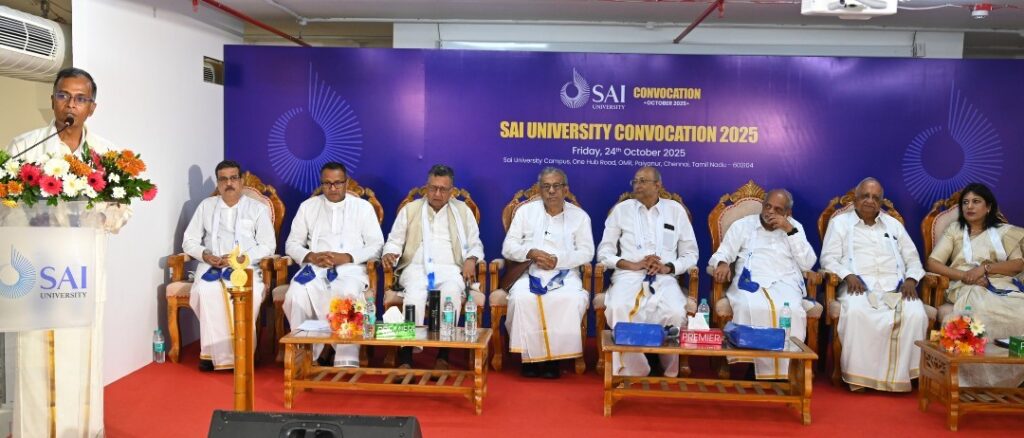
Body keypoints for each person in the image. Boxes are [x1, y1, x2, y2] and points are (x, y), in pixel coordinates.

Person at [5, 67, 114, 436]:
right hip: (36, 271)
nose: (71, 105)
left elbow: (121, 210)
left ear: (92, 108)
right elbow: (7, 202)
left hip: (82, 272)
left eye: (81, 99)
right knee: (33, 355)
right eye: (64, 96)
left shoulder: (106, 155)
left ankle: (82, 430)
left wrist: (101, 214)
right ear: (53, 100)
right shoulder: (25, 147)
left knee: (83, 352)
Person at [820, 177, 929, 392]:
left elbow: (913, 258)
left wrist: (911, 279)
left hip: (895, 287)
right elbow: (828, 258)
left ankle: (902, 377)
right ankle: (859, 378)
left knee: (916, 314)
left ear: (881, 202)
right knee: (856, 312)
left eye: (875, 197)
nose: (870, 201)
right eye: (865, 196)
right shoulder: (839, 223)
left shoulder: (893, 225)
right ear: (855, 199)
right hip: (858, 286)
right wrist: (848, 275)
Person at [597, 166, 698, 377]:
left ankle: (667, 369)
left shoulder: (675, 211)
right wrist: (633, 264)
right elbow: (604, 252)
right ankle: (634, 369)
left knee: (675, 311)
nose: (637, 185)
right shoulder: (621, 210)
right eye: (635, 181)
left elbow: (691, 253)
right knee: (619, 306)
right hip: (629, 275)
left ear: (657, 185)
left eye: (643, 181)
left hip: (665, 277)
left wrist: (668, 267)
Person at [382, 164, 483, 369]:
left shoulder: (463, 211)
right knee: (414, 296)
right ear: (426, 187)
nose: (437, 193)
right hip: (416, 268)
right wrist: (389, 253)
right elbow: (394, 240)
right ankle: (406, 357)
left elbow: (475, 243)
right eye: (433, 188)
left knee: (451, 294)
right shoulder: (410, 210)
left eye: (443, 189)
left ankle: (443, 355)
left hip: (450, 269)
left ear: (451, 191)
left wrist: (471, 259)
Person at [284, 162, 384, 368]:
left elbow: (376, 245)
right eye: (327, 183)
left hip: (350, 269)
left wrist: (347, 256)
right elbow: (291, 244)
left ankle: (345, 359)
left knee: (347, 293)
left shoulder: (363, 208)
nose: (333, 188)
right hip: (315, 268)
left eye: (338, 183)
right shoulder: (308, 207)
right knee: (296, 294)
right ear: (321, 184)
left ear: (346, 183)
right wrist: (311, 256)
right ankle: (306, 355)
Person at [709, 189, 816, 379]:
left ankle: (786, 371)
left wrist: (790, 230)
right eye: (767, 206)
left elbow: (807, 263)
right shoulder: (743, 225)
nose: (770, 212)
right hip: (750, 281)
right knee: (751, 306)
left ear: (788, 213)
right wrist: (723, 263)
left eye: (778, 209)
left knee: (791, 310)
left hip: (785, 281)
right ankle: (755, 365)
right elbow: (723, 253)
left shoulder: (794, 228)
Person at [926, 182, 1024, 387]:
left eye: (976, 201)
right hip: (966, 286)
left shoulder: (1004, 231)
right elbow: (933, 262)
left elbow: (1017, 264)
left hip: (1000, 285)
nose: (969, 206)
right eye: (965, 202)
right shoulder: (955, 230)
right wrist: (966, 276)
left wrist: (985, 269)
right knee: (979, 310)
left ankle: (1010, 377)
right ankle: (975, 380)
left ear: (988, 207)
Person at [181, 160, 275, 371]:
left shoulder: (258, 209)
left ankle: (243, 354)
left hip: (246, 267)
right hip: (212, 265)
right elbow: (189, 241)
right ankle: (211, 355)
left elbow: (268, 245)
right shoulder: (206, 206)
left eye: (233, 178)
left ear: (241, 181)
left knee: (247, 293)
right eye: (223, 179)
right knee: (206, 291)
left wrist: (242, 259)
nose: (229, 183)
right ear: (218, 182)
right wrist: (205, 255)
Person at [502, 167, 593, 379]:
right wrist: (531, 252)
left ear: (565, 190)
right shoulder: (525, 212)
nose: (551, 191)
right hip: (529, 271)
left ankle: (555, 360)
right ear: (540, 189)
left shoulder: (580, 217)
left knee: (570, 299)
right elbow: (508, 247)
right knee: (521, 298)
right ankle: (529, 358)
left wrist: (558, 260)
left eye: (556, 186)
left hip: (565, 273)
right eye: (546, 186)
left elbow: (587, 252)